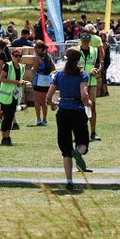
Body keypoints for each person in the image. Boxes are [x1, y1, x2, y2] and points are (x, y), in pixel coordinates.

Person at [46, 47, 92, 192]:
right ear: (78, 60)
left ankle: (69, 181)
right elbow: (83, 94)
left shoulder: (59, 75)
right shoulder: (82, 75)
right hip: (77, 111)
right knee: (83, 142)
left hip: (63, 111)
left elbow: (48, 96)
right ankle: (77, 151)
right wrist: (89, 103)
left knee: (65, 150)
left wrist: (52, 104)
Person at [0, 46, 27, 147]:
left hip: (14, 96)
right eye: (16, 56)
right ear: (12, 56)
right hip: (6, 96)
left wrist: (24, 83)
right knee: (6, 117)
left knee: (10, 117)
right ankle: (4, 137)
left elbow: (20, 80)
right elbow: (1, 78)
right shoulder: (7, 66)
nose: (18, 57)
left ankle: (8, 136)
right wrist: (15, 82)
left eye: (20, 56)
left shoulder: (22, 67)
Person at [76, 27, 103, 140]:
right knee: (78, 108)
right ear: (80, 38)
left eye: (88, 37)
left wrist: (97, 70)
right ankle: (80, 132)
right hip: (79, 83)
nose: (86, 39)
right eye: (83, 36)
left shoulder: (94, 50)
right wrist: (86, 72)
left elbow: (99, 64)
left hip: (91, 83)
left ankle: (93, 132)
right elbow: (72, 67)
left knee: (92, 107)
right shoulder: (76, 50)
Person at [29, 40, 55, 126]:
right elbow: (53, 68)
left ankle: (38, 119)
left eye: (36, 47)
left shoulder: (37, 58)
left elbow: (35, 69)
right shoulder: (48, 56)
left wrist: (32, 70)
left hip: (39, 80)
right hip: (47, 81)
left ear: (40, 48)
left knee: (36, 100)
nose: (34, 49)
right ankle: (45, 119)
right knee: (44, 101)